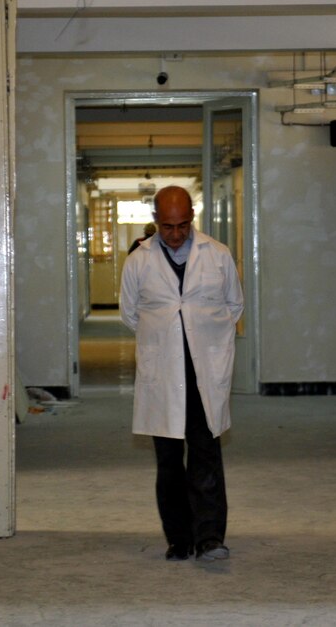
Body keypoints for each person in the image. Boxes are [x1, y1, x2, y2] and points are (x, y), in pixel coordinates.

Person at [120, 185, 244, 562]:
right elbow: (130, 314)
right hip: (163, 374)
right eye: (168, 226)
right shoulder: (138, 261)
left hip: (203, 372)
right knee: (169, 461)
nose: (176, 234)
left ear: (193, 218)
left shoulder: (218, 256)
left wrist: (203, 338)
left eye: (183, 225)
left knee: (206, 454)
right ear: (156, 220)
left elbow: (233, 306)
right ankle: (178, 538)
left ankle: (209, 537)